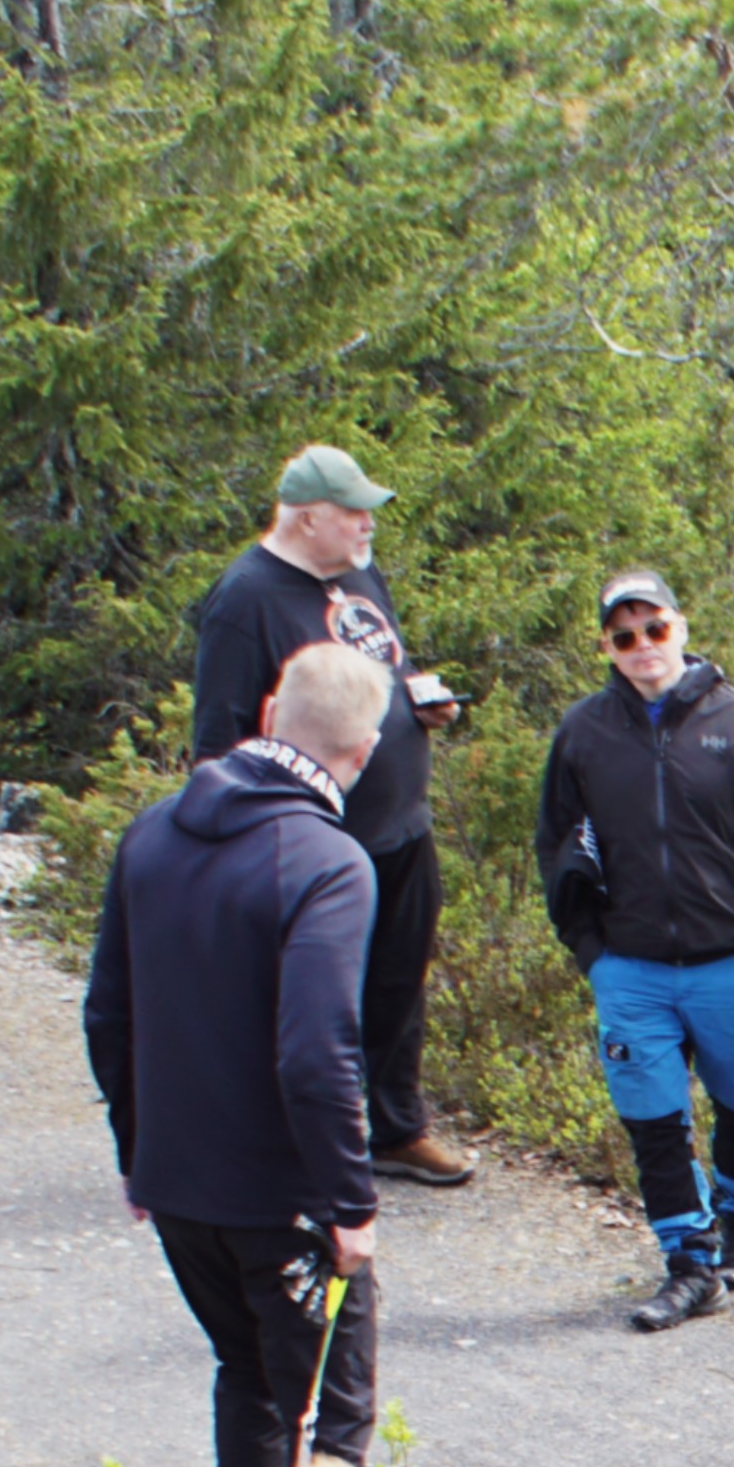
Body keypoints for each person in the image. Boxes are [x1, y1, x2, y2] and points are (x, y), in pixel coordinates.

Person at [89, 643, 386, 1467]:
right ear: (364, 752)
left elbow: (107, 1014)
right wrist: (347, 1202)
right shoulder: (329, 862)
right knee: (332, 1432)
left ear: (268, 714)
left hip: (181, 1190)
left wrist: (139, 1157)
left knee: (249, 1386)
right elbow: (315, 1051)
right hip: (284, 1202)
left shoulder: (152, 832)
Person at [537, 568, 734, 1335]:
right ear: (607, 645)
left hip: (733, 962)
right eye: (625, 636)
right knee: (654, 1120)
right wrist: (590, 951)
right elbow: (557, 844)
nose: (643, 647)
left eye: (655, 629)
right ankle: (689, 1264)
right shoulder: (584, 733)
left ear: (682, 627)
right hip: (629, 968)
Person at [185, 443, 467, 1190]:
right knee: (315, 993)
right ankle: (292, 1140)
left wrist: (417, 700)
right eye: (354, 513)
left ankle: (396, 1128)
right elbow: (217, 739)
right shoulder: (245, 600)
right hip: (315, 836)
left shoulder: (355, 573)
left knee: (400, 980)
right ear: (308, 518)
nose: (369, 525)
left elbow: (385, 660)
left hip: (400, 823)